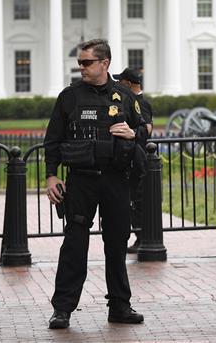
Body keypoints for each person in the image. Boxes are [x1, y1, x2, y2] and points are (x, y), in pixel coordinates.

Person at [43, 39, 148, 330]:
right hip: (82, 180)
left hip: (115, 179)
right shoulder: (69, 97)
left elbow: (143, 132)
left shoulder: (125, 96)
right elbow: (52, 140)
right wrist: (52, 175)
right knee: (74, 244)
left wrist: (132, 134)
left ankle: (120, 306)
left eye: (87, 62)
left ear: (105, 63)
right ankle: (62, 308)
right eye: (80, 63)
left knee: (116, 243)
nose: (81, 68)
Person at [113, 67, 152, 254]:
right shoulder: (133, 100)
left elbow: (147, 129)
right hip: (132, 156)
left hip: (137, 157)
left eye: (121, 81)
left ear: (128, 83)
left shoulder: (139, 103)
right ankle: (139, 235)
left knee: (137, 199)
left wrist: (132, 134)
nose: (118, 84)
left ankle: (141, 236)